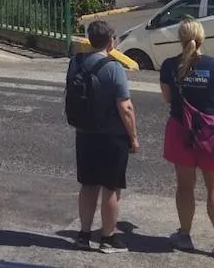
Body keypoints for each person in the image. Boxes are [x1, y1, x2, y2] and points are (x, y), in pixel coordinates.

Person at [161, 17, 214, 258]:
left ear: (180, 38)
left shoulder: (168, 66)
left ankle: (184, 235)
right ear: (202, 37)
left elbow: (167, 98)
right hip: (210, 133)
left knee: (184, 186)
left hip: (180, 132)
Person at [66, 19, 138, 253]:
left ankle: (83, 235)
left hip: (84, 133)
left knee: (88, 185)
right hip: (110, 136)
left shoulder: (75, 63)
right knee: (111, 187)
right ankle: (108, 238)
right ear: (111, 41)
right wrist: (133, 138)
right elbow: (125, 108)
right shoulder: (113, 67)